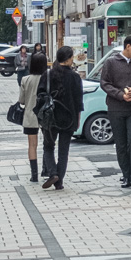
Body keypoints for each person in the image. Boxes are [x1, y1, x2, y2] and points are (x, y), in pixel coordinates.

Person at [100, 34, 131, 188]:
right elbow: (105, 83)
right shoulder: (111, 62)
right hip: (116, 108)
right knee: (121, 143)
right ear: (128, 46)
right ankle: (126, 175)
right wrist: (120, 95)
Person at [40, 46, 83, 190]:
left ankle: (53, 173)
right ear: (69, 58)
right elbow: (79, 101)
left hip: (50, 117)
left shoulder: (47, 74)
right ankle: (59, 182)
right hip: (69, 118)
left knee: (48, 146)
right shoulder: (75, 77)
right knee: (64, 151)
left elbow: (39, 96)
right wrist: (77, 119)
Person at [18, 53, 47, 182]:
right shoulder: (47, 78)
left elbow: (22, 100)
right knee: (48, 144)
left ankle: (34, 175)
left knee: (32, 145)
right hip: (46, 115)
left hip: (30, 116)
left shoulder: (26, 79)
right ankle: (47, 170)